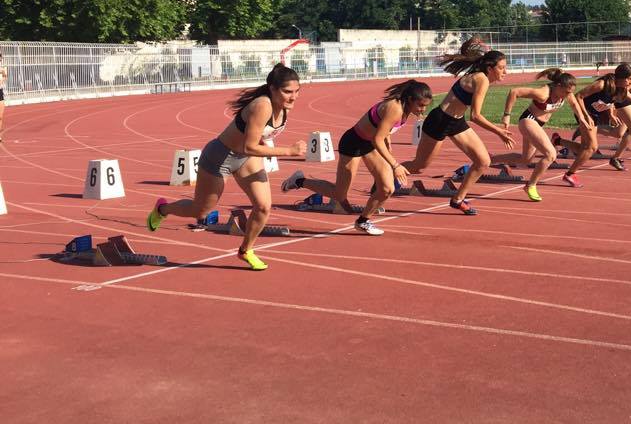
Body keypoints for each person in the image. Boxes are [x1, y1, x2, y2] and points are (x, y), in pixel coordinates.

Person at [148, 64, 305, 271]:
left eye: (297, 92)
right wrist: (289, 152)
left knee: (264, 207)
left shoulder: (283, 107)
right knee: (201, 210)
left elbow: (254, 140)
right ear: (272, 89)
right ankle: (162, 209)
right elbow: (249, 146)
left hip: (245, 158)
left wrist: (264, 142)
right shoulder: (263, 105)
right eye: (287, 92)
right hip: (219, 158)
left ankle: (245, 250)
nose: (293, 97)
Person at [280, 81, 434, 234]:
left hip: (369, 145)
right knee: (339, 194)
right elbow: (377, 139)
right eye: (420, 105)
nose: (423, 109)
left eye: (426, 105)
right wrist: (395, 165)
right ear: (409, 99)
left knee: (387, 188)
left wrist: (388, 138)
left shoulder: (405, 109)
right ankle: (299, 181)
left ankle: (363, 221)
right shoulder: (395, 108)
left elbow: (382, 130)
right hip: (353, 144)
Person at [401, 37, 514, 215]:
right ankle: (387, 175)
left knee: (483, 161)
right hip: (440, 121)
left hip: (456, 121)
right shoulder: (482, 79)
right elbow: (475, 116)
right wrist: (498, 131)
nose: (505, 71)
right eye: (501, 68)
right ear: (490, 68)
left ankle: (458, 199)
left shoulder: (482, 78)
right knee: (419, 166)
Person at [490, 68, 592, 200]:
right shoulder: (543, 93)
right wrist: (507, 115)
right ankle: (531, 185)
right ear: (558, 86)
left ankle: (488, 160)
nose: (568, 95)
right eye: (566, 92)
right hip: (529, 121)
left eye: (570, 92)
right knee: (550, 154)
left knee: (525, 159)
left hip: (538, 125)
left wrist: (583, 119)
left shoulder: (566, 93)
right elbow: (514, 91)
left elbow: (574, 103)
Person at [561, 63, 631, 172]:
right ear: (620, 78)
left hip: (594, 115)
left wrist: (611, 115)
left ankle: (558, 141)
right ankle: (570, 174)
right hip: (584, 113)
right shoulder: (601, 84)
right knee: (591, 148)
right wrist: (585, 116)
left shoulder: (620, 88)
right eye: (629, 79)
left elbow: (609, 101)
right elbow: (578, 96)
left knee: (586, 148)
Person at [0, 50, 7, 143]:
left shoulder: (3, 68)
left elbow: (4, 78)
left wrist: (4, 73)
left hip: (0, 92)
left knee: (0, 116)